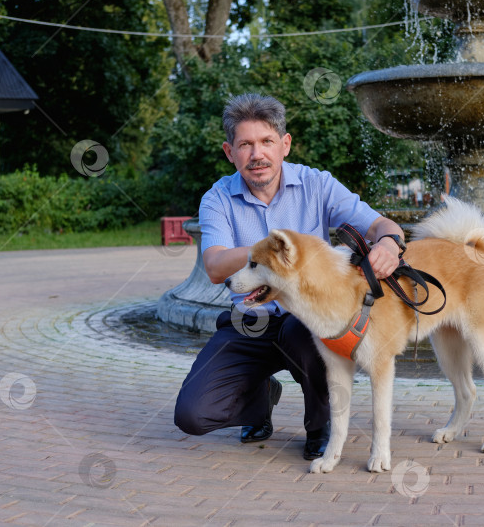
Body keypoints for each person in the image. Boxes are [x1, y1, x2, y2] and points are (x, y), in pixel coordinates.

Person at [173, 93, 405, 460]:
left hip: (307, 317)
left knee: (315, 333)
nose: (257, 154)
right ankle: (260, 397)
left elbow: (380, 224)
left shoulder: (317, 184)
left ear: (285, 145)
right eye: (245, 144)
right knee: (192, 414)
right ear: (229, 152)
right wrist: (268, 251)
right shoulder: (216, 199)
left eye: (266, 142)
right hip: (248, 319)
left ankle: (320, 426)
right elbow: (216, 267)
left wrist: (390, 244)